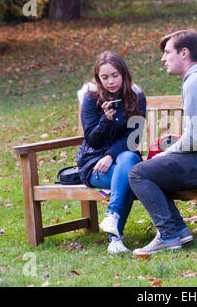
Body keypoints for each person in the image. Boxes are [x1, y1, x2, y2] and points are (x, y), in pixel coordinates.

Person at [128, 29, 197, 256]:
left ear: (184, 53)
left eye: (168, 52)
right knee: (152, 171)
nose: (163, 58)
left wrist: (165, 155)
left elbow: (196, 138)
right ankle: (178, 230)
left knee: (139, 173)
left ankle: (169, 235)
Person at [77, 51, 146, 254]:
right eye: (104, 77)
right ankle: (115, 239)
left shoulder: (136, 97)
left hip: (123, 159)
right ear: (98, 78)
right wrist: (105, 121)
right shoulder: (91, 99)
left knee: (128, 159)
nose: (110, 82)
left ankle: (113, 220)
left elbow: (134, 138)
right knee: (130, 178)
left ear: (123, 74)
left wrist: (111, 155)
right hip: (94, 164)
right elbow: (91, 139)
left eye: (115, 75)